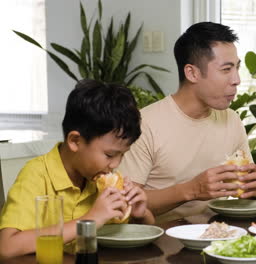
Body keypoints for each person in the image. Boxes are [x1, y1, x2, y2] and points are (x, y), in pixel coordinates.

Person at [119, 22, 256, 223]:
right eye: (226, 69)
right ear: (192, 73)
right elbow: (125, 203)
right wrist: (192, 190)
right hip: (161, 242)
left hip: (218, 236)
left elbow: (253, 193)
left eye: (237, 68)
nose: (237, 80)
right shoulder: (145, 124)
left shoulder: (231, 120)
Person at [0, 80, 155, 259]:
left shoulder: (99, 180)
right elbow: (7, 246)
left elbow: (133, 232)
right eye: (110, 155)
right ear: (75, 141)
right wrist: (90, 220)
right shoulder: (36, 175)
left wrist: (140, 214)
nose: (115, 165)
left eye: (122, 155)